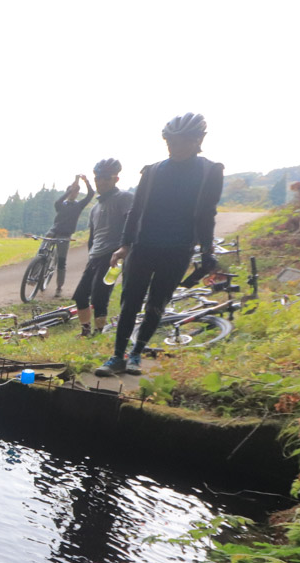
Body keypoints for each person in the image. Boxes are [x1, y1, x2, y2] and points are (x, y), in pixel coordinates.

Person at [96, 113, 224, 377]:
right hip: (143, 246)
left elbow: (207, 213)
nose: (174, 147)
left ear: (198, 140)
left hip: (178, 249)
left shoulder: (210, 171)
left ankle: (136, 354)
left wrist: (207, 251)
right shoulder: (152, 171)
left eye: (182, 142)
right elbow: (135, 210)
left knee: (156, 303)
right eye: (170, 142)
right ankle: (117, 356)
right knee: (129, 302)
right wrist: (124, 245)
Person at [71, 159, 135, 337]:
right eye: (98, 178)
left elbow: (132, 222)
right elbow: (93, 237)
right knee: (80, 295)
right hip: (96, 257)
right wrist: (90, 255)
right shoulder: (95, 208)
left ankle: (99, 333)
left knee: (100, 295)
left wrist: (125, 248)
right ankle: (85, 331)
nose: (101, 182)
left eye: (106, 178)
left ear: (116, 179)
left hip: (114, 256)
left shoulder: (124, 197)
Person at [44, 174, 95, 296]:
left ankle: (59, 287)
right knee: (42, 252)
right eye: (71, 192)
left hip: (65, 235)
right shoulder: (61, 204)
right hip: (53, 231)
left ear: (78, 193)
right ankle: (33, 276)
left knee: (61, 262)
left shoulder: (79, 205)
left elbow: (91, 194)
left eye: (75, 192)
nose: (73, 194)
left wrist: (86, 182)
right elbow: (58, 201)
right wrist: (69, 191)